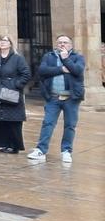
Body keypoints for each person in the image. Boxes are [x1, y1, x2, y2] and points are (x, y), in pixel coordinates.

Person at [29, 35, 86, 163]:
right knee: (48, 123)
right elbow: (42, 70)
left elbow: (77, 71)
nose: (62, 45)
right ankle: (41, 150)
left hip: (71, 98)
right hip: (53, 97)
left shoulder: (78, 57)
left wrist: (66, 59)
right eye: (60, 42)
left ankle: (66, 151)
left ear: (71, 45)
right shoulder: (49, 56)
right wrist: (61, 69)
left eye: (65, 42)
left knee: (70, 125)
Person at [0, 35, 30, 154]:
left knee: (13, 121)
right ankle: (3, 144)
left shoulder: (17, 58)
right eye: (1, 40)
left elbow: (25, 74)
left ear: (10, 43)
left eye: (5, 40)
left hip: (11, 93)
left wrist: (15, 85)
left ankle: (14, 145)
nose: (2, 43)